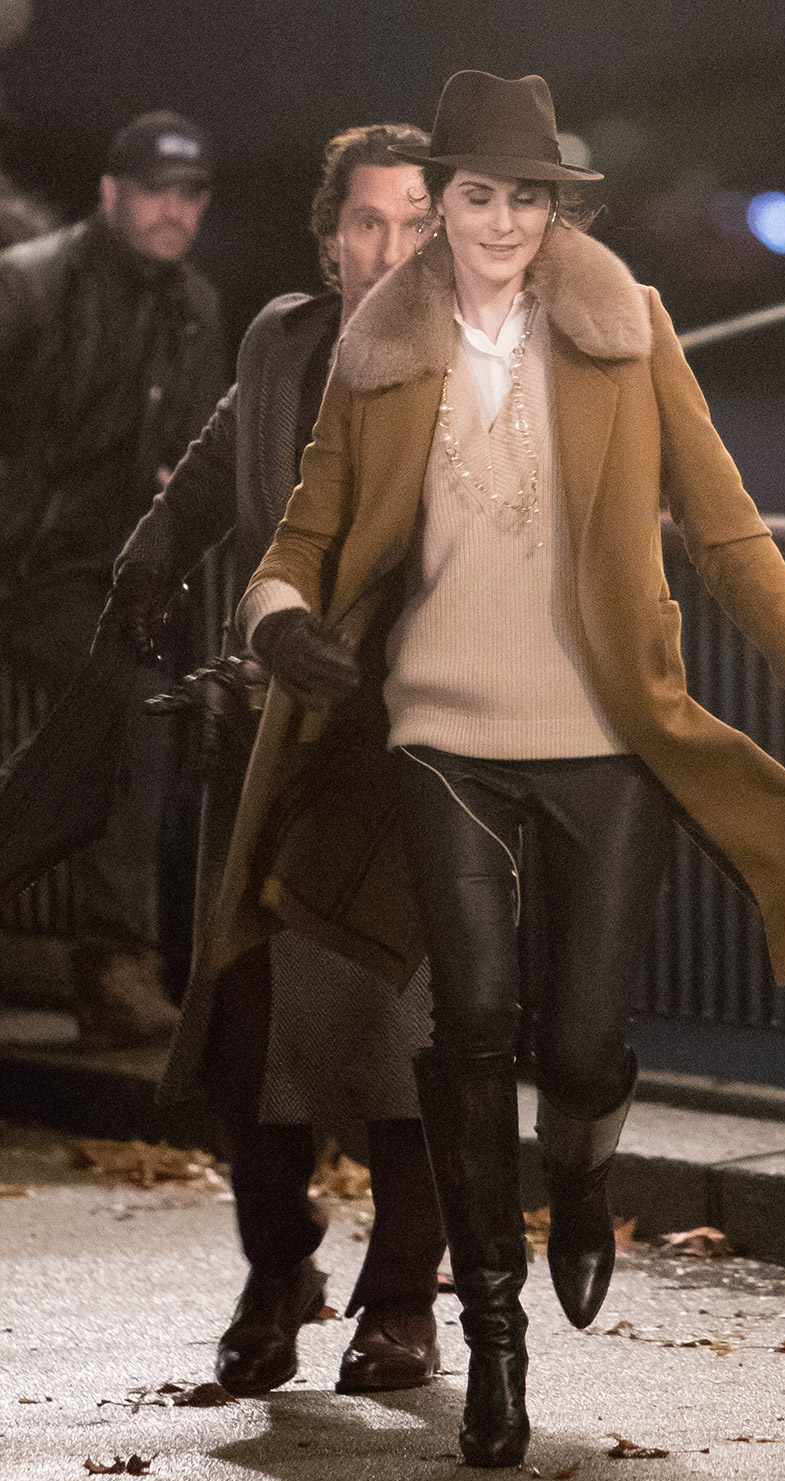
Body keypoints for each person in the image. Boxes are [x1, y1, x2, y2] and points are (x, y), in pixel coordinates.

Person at [218, 71, 785, 1467]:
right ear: (445, 207)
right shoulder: (379, 351)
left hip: (605, 737)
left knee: (582, 1043)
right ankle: (495, 1346)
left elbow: (725, 528)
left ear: (551, 208)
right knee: (469, 1032)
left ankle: (583, 1182)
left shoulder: (624, 325)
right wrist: (282, 626)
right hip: (440, 738)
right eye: (475, 193)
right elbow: (297, 543)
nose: (499, 220)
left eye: (524, 197)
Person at [106, 125, 445, 1398]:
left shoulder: (470, 365)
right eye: (368, 222)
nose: (389, 248)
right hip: (265, 736)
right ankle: (274, 1270)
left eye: (417, 223)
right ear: (329, 234)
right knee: (242, 1027)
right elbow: (216, 466)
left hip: (408, 743)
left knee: (398, 1021)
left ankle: (404, 1299)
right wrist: (150, 558)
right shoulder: (282, 339)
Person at [0, 111, 225, 1044]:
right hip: (17, 565)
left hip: (93, 579)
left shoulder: (195, 308)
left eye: (190, 194)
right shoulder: (28, 284)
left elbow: (193, 455)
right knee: (134, 702)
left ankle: (135, 962)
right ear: (110, 193)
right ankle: (116, 965)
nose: (174, 210)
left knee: (172, 699)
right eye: (155, 190)